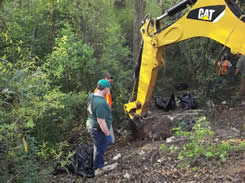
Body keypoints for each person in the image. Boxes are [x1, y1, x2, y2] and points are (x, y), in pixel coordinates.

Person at [86, 79, 113, 175]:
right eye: (108, 88)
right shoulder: (101, 103)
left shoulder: (91, 96)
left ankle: (97, 163)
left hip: (91, 125)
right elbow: (101, 121)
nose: (109, 90)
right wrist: (108, 134)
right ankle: (98, 168)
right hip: (97, 129)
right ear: (105, 88)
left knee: (97, 146)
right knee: (100, 148)